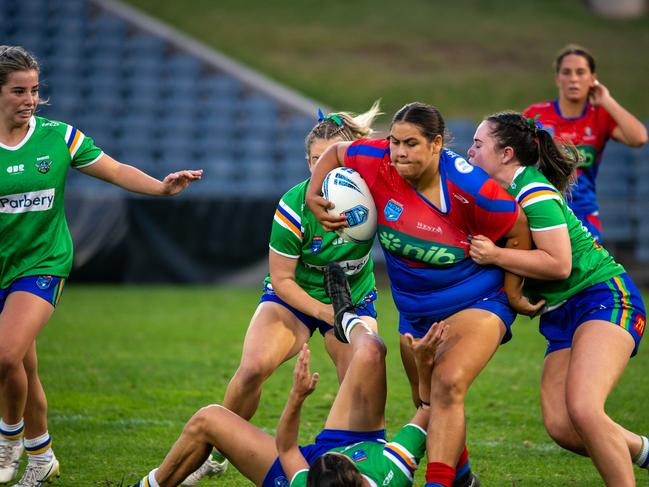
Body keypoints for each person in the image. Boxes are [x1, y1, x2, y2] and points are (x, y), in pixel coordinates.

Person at [0, 46, 202, 487]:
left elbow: (114, 170)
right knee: (23, 367)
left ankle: (8, 439)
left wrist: (162, 188)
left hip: (42, 262)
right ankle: (42, 457)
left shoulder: (57, 137)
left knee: (5, 354)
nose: (30, 99)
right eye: (19, 91)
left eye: (35, 90)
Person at [305, 102, 535, 487]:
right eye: (395, 142)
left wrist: (512, 292)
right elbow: (334, 152)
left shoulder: (471, 188)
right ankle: (462, 478)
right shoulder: (378, 160)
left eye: (411, 143)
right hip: (414, 310)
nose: (399, 152)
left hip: (474, 299)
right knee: (426, 401)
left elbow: (519, 229)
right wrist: (314, 194)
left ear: (437, 144)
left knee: (446, 384)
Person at [181, 104, 382, 485]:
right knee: (253, 368)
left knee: (359, 373)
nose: (321, 169)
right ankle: (217, 451)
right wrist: (325, 313)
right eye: (314, 160)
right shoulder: (294, 205)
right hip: (294, 296)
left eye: (330, 159)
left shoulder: (374, 196)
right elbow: (283, 279)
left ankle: (352, 469)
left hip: (353, 297)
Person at [130, 262, 446, 487]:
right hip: (357, 438)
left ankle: (151, 484)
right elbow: (430, 410)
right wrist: (424, 364)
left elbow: (287, 449)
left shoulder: (305, 481)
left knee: (208, 420)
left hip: (307, 467)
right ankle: (347, 318)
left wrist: (296, 397)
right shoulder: (390, 471)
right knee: (372, 351)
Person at [467, 110, 648, 487]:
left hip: (602, 297)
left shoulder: (533, 192)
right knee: (563, 427)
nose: (470, 152)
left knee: (584, 409)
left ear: (506, 155)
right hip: (563, 313)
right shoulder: (497, 194)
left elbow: (559, 264)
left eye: (479, 144)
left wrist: (496, 255)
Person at [523, 44, 648, 242]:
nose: (573, 78)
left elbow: (639, 138)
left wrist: (607, 100)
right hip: (542, 207)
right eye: (566, 72)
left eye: (580, 72)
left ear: (592, 79)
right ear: (558, 79)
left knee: (584, 271)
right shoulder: (536, 114)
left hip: (583, 213)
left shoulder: (600, 116)